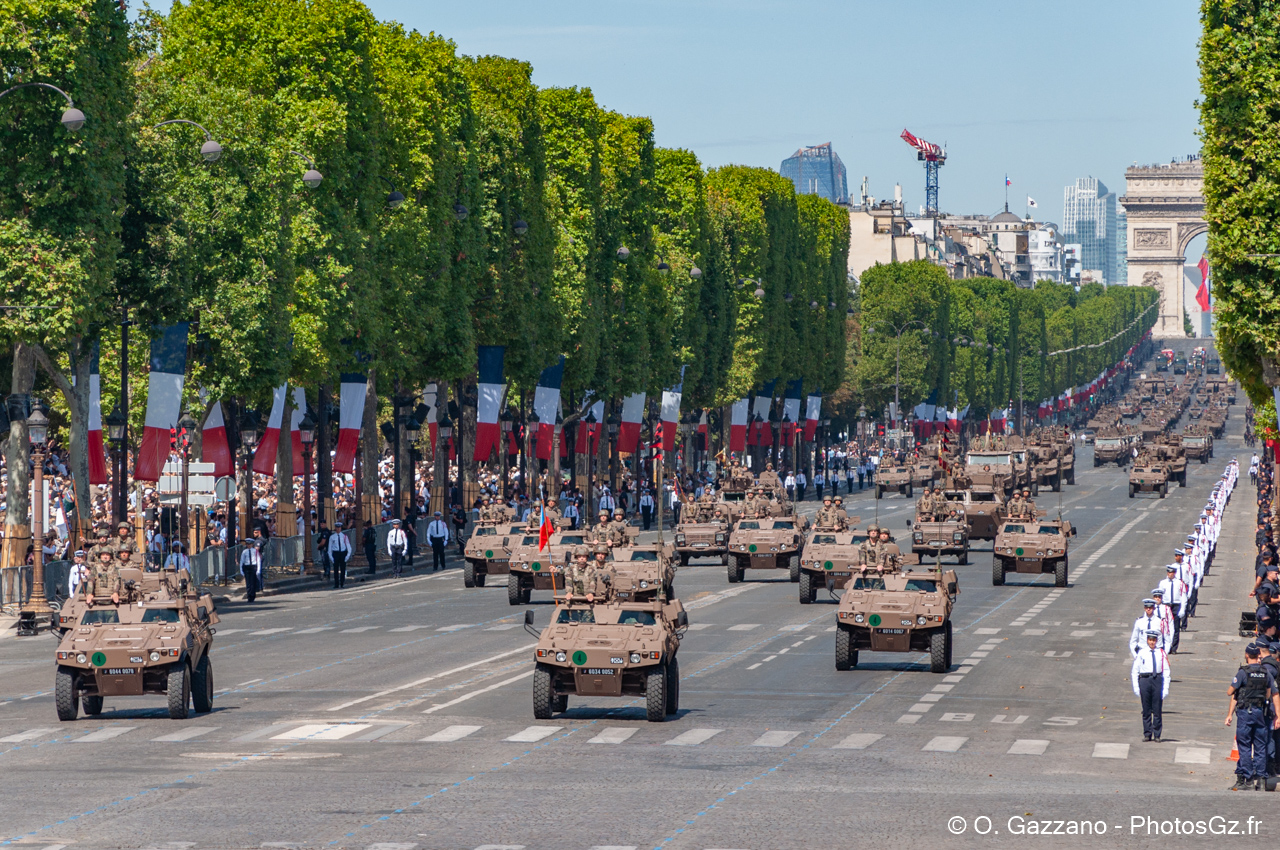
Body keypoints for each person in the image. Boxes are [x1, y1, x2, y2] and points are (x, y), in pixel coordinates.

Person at [1226, 643, 1280, 790]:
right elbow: (1270, 694)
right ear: (1258, 656)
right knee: (1260, 746)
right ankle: (1261, 780)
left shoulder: (1243, 672)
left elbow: (1230, 692)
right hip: (1261, 713)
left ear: (1247, 655)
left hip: (1246, 713)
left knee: (1244, 746)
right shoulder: (1265, 672)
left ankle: (1248, 779)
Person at [1131, 630, 1170, 743]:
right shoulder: (1142, 653)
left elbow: (1166, 671)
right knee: (1146, 709)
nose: (1152, 642)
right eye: (1150, 640)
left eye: (1153, 640)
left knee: (1157, 709)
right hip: (1145, 680)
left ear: (1156, 641)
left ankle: (1157, 734)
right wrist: (1136, 687)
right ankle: (1147, 733)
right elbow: (1135, 671)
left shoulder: (1161, 653)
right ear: (1147, 640)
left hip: (1157, 680)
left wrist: (1165, 688)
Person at [1157, 561, 1188, 653]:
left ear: (1174, 573)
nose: (1169, 574)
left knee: (1175, 627)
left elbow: (1183, 596)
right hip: (1166, 605)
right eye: (1168, 572)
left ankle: (1173, 647)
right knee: (1164, 626)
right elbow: (1159, 595)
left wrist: (1182, 608)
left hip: (1176, 605)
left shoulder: (1179, 583)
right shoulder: (1163, 583)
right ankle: (1163, 646)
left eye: (1171, 572)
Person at [328, 522, 352, 589]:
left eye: (339, 528)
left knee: (343, 569)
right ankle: (336, 583)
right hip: (336, 553)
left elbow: (348, 546)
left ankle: (342, 583)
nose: (338, 529)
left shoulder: (344, 536)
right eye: (337, 527)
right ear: (335, 528)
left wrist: (347, 556)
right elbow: (330, 548)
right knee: (335, 570)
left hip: (342, 553)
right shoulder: (332, 537)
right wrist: (331, 557)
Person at [240, 537, 263, 602]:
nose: (248, 545)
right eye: (247, 544)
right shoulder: (244, 552)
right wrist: (241, 570)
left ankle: (253, 595)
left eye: (250, 544)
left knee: (253, 582)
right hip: (247, 567)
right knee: (248, 583)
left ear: (252, 544)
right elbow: (242, 560)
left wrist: (258, 569)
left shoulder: (255, 551)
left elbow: (258, 560)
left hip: (253, 566)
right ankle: (249, 595)